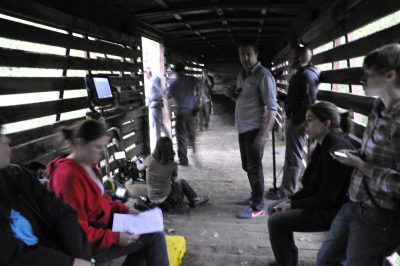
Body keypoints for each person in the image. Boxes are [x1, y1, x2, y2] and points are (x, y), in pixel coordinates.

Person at [317, 43, 400, 266]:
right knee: (325, 258)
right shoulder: (378, 107)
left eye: (369, 75)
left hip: (380, 214)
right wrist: (353, 155)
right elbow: (376, 154)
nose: (363, 81)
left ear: (390, 75)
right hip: (356, 200)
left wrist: (362, 166)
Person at [47, 119, 169, 266]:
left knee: (151, 228)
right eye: (98, 146)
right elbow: (77, 233)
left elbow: (101, 200)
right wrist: (116, 237)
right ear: (80, 143)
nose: (102, 152)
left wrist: (125, 209)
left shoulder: (89, 165)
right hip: (85, 247)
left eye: (104, 146)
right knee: (154, 235)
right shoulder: (67, 177)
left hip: (102, 227)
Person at [267, 102, 355, 266]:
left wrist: (293, 204)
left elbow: (326, 199)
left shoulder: (335, 151)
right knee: (273, 208)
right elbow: (311, 187)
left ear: (326, 124)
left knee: (275, 221)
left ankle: (285, 263)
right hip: (324, 204)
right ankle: (287, 259)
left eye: (310, 120)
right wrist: (290, 201)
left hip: (334, 212)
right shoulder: (323, 144)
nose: (305, 124)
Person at [0, 123, 93, 266]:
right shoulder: (67, 173)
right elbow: (9, 253)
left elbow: (62, 212)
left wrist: (81, 258)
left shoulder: (19, 176)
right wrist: (69, 263)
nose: (7, 140)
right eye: (0, 135)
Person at [225, 39, 278, 219]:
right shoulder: (242, 75)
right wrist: (231, 95)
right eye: (242, 54)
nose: (245, 57)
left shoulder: (264, 76)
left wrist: (264, 134)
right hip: (243, 127)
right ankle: (254, 196)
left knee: (255, 169)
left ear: (256, 54)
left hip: (255, 128)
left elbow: (272, 107)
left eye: (248, 53)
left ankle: (257, 206)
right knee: (247, 166)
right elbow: (242, 99)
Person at [266, 46, 320, 200]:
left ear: (301, 58)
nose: (291, 60)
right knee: (291, 157)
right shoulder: (302, 74)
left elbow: (309, 102)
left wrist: (296, 120)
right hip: (295, 119)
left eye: (295, 57)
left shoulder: (306, 75)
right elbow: (296, 98)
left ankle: (287, 193)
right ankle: (285, 190)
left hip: (297, 122)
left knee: (294, 158)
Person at [137, 137, 208, 212]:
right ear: (170, 149)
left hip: (152, 198)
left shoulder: (149, 159)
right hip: (165, 197)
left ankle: (169, 205)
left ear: (157, 147)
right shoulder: (173, 165)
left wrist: (138, 162)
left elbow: (139, 168)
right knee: (182, 182)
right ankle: (195, 199)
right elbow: (174, 180)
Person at [167, 62, 199, 166]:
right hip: (191, 112)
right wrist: (198, 98)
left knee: (181, 136)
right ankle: (193, 147)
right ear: (183, 70)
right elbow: (201, 83)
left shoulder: (173, 84)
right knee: (191, 131)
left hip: (180, 113)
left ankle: (184, 160)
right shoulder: (190, 79)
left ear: (175, 71)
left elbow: (168, 98)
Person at [144, 67, 169, 140]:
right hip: (153, 105)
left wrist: (158, 97)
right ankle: (166, 139)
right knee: (157, 125)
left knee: (158, 126)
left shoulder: (155, 79)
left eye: (145, 73)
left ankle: (162, 141)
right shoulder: (151, 80)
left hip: (155, 105)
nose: (144, 75)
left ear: (148, 72)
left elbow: (161, 90)